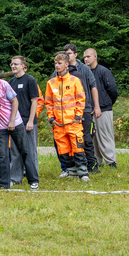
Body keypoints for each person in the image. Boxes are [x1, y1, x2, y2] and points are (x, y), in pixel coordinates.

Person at [53, 44, 101, 173]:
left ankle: (92, 166)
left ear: (75, 54)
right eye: (65, 53)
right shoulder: (57, 71)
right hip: (66, 113)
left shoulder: (84, 69)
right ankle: (72, 167)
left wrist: (96, 106)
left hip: (84, 109)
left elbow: (93, 86)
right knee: (68, 142)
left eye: (69, 53)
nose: (67, 55)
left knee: (86, 138)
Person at [45, 52, 89, 181]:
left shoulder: (75, 81)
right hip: (58, 124)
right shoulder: (51, 83)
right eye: (55, 63)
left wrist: (78, 116)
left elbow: (81, 100)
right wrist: (51, 119)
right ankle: (70, 171)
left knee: (78, 147)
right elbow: (49, 102)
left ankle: (83, 172)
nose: (57, 66)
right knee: (63, 149)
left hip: (73, 122)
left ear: (66, 64)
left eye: (59, 63)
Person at [8, 56, 41, 188]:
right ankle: (16, 177)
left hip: (28, 121)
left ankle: (33, 177)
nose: (13, 66)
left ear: (24, 66)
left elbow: (35, 101)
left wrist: (31, 121)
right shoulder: (10, 82)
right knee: (15, 150)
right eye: (12, 64)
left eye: (16, 64)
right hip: (16, 122)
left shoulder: (30, 80)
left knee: (30, 150)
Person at [83, 48, 119, 169]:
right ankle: (97, 161)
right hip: (89, 110)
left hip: (104, 109)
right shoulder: (84, 73)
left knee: (105, 136)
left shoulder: (104, 71)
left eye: (88, 56)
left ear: (95, 57)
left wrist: (107, 103)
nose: (86, 59)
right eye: (84, 57)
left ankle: (111, 161)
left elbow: (113, 90)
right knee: (92, 138)